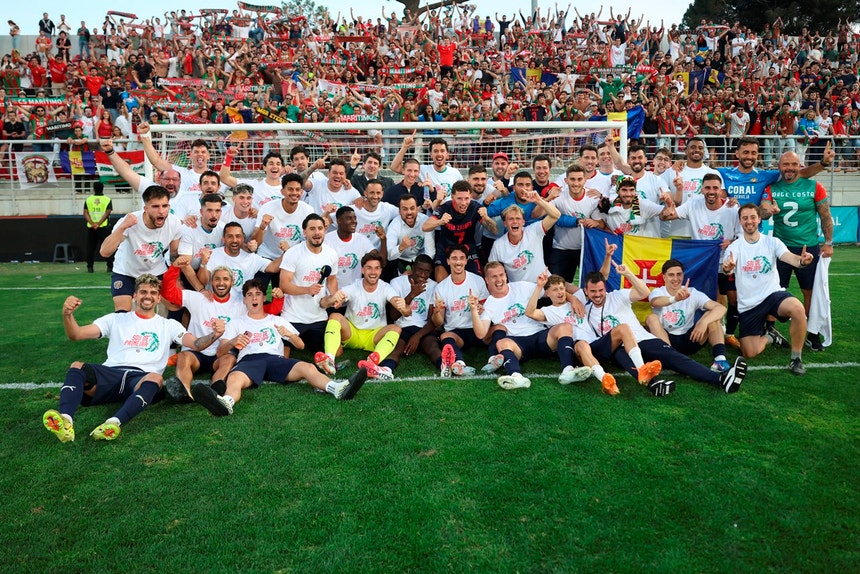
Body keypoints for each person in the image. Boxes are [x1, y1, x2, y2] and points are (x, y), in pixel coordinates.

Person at [43, 274, 223, 442]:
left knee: (156, 377)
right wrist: (67, 314)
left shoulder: (169, 325)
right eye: (143, 292)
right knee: (77, 366)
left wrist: (214, 335)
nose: (148, 296)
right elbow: (76, 334)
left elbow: (196, 344)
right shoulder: (115, 319)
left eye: (153, 293)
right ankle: (65, 421)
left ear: (159, 298)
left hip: (139, 378)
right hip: (110, 373)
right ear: (134, 295)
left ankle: (113, 423)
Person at [190, 280, 368, 417]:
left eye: (258, 294)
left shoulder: (276, 319)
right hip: (250, 360)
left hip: (276, 359)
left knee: (306, 367)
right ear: (244, 299)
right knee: (235, 377)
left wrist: (289, 335)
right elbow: (220, 352)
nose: (254, 298)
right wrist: (233, 341)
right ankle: (227, 403)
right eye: (250, 294)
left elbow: (300, 345)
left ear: (263, 298)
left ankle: (337, 389)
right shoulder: (236, 323)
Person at [575, 265, 748, 394]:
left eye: (600, 290)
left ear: (605, 289)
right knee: (621, 355)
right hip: (618, 348)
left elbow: (643, 292)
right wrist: (573, 299)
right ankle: (653, 384)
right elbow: (566, 291)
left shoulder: (618, 296)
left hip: (642, 339)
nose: (597, 295)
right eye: (593, 292)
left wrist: (627, 273)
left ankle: (720, 379)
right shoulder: (587, 310)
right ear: (586, 292)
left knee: (674, 357)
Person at [471, 262, 592, 390]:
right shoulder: (490, 304)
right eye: (494, 276)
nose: (499, 279)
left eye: (501, 275)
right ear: (487, 280)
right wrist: (474, 310)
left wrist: (572, 298)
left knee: (565, 327)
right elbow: (480, 333)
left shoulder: (521, 287)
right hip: (518, 343)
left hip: (539, 334)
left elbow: (552, 291)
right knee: (501, 343)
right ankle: (517, 377)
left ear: (506, 275)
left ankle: (568, 371)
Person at [723, 203, 814, 374]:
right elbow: (728, 267)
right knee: (749, 352)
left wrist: (801, 261)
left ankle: (796, 359)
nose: (749, 221)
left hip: (772, 295)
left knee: (797, 309)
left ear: (759, 219)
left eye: (752, 217)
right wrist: (728, 267)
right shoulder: (734, 247)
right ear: (740, 222)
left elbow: (790, 258)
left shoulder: (772, 242)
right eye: (745, 218)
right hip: (749, 304)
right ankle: (771, 336)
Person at [760, 152, 835, 351]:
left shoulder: (814, 186)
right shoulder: (772, 188)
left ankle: (811, 331)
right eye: (785, 164)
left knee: (810, 291)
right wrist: (769, 211)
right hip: (780, 248)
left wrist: (828, 242)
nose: (790, 168)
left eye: (794, 164)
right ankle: (770, 328)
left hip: (807, 247)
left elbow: (825, 215)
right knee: (774, 288)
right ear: (779, 167)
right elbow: (763, 210)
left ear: (799, 165)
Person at [160, 256, 246, 401]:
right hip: (195, 353)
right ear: (211, 282)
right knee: (183, 356)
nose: (221, 283)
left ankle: (214, 390)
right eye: (217, 279)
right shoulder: (198, 298)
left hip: (220, 355)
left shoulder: (240, 304)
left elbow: (260, 313)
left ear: (232, 282)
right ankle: (184, 391)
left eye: (225, 279)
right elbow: (169, 293)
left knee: (229, 358)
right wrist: (174, 268)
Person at [316, 252, 411, 381]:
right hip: (353, 333)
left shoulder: (385, 287)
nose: (373, 272)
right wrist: (332, 298)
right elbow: (324, 303)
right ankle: (329, 359)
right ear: (362, 270)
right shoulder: (354, 286)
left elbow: (406, 312)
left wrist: (404, 307)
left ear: (381, 271)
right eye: (369, 268)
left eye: (377, 268)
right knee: (334, 315)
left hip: (374, 335)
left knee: (396, 328)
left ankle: (373, 361)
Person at [99, 186, 182, 312]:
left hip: (156, 270)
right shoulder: (130, 221)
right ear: (145, 208)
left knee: (173, 307)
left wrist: (176, 279)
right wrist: (123, 227)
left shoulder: (174, 223)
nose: (161, 211)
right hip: (127, 271)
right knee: (123, 313)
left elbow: (174, 254)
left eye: (165, 206)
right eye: (155, 206)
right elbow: (104, 252)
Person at [646, 259, 731, 372]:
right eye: (671, 275)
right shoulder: (658, 292)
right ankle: (669, 357)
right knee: (651, 319)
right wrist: (675, 299)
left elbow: (721, 308)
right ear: (664, 277)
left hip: (690, 338)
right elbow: (655, 302)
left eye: (679, 274)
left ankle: (720, 360)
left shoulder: (692, 292)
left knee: (712, 317)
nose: (676, 278)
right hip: (666, 339)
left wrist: (704, 322)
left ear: (683, 275)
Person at [278, 214, 340, 354]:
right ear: (305, 232)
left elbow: (331, 279)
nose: (317, 232)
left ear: (325, 230)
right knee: (284, 352)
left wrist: (334, 297)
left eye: (320, 228)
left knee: (336, 352)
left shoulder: (331, 254)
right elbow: (284, 285)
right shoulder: (293, 253)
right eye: (312, 229)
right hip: (293, 316)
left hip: (318, 316)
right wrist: (307, 289)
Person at [433, 244, 490, 377]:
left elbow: (487, 310)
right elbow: (438, 323)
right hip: (456, 331)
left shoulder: (477, 280)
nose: (458, 262)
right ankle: (459, 363)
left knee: (498, 329)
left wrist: (479, 309)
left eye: (461, 258)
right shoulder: (441, 288)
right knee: (445, 336)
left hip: (477, 329)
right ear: (448, 261)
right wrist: (436, 311)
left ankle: (494, 358)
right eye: (454, 258)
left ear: (466, 261)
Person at [423, 180, 498, 281]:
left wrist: (486, 217)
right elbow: (425, 227)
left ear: (470, 196)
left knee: (478, 282)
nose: (463, 203)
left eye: (466, 198)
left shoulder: (475, 207)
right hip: (446, 251)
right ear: (452, 197)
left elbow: (494, 231)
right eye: (459, 199)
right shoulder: (445, 208)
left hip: (468, 251)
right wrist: (440, 222)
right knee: (441, 283)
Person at [549, 163, 606, 282]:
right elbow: (546, 216)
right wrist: (575, 221)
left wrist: (596, 223)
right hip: (561, 248)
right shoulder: (558, 196)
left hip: (584, 249)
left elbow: (602, 224)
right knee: (555, 285)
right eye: (572, 179)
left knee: (589, 285)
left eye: (580, 179)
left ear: (585, 180)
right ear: (566, 180)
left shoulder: (592, 198)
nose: (576, 183)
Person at [489, 192, 560, 283]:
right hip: (519, 291)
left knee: (566, 292)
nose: (515, 222)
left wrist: (538, 200)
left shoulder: (534, 231)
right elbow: (491, 270)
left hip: (544, 284)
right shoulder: (498, 245)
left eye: (518, 218)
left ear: (523, 222)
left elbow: (556, 215)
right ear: (505, 224)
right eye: (511, 219)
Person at [199, 222, 283, 298]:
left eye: (238, 236)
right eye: (230, 236)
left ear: (243, 239)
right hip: (216, 304)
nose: (234, 240)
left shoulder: (251, 257)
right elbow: (203, 281)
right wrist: (203, 264)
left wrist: (287, 252)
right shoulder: (212, 254)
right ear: (223, 239)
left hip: (240, 307)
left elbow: (274, 267)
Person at [391, 132, 463, 202]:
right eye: (435, 151)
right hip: (431, 212)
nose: (439, 154)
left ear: (447, 154)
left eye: (442, 151)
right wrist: (405, 147)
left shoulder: (455, 173)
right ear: (430, 154)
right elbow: (395, 167)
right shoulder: (422, 169)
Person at [83, 182, 113, 274]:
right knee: (108, 247)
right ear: (103, 188)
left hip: (91, 228)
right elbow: (107, 212)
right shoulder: (107, 199)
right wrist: (98, 224)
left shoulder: (88, 199)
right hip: (103, 227)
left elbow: (85, 212)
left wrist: (92, 223)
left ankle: (90, 267)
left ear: (93, 188)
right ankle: (110, 267)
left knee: (90, 248)